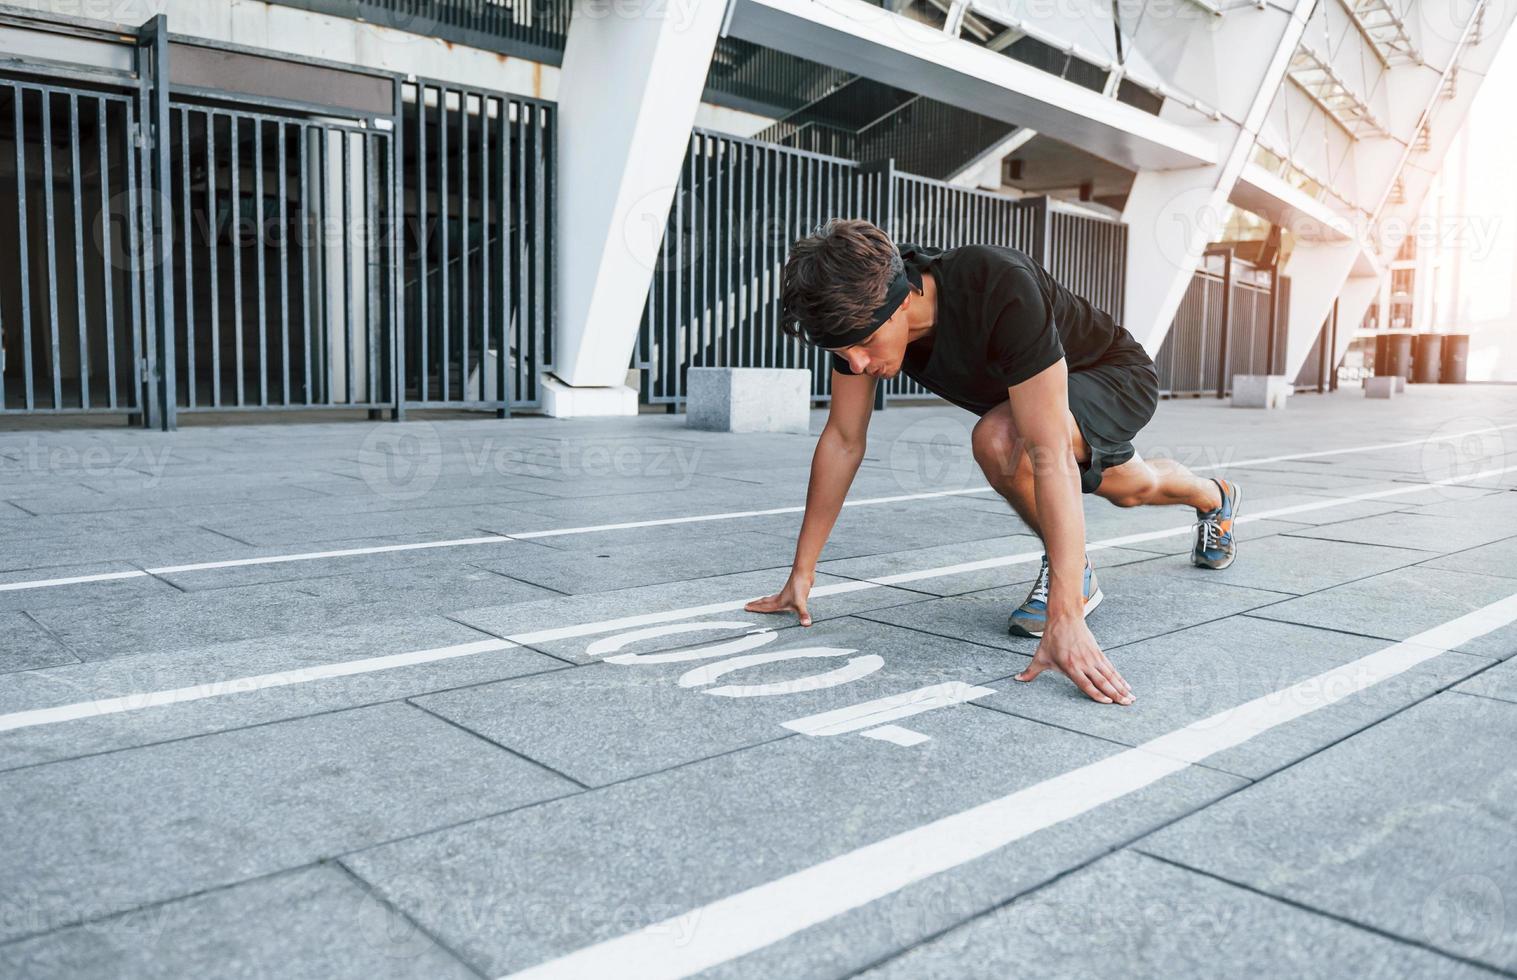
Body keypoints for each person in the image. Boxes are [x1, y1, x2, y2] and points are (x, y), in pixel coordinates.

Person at [745, 218, 1241, 706]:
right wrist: (802, 573)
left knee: (1002, 439)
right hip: (1028, 405)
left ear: (903, 300)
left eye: (863, 345)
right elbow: (843, 439)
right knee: (1132, 488)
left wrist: (1065, 616)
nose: (855, 364)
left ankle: (1076, 578)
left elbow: (1048, 454)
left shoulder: (997, 284)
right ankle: (1214, 496)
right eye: (841, 352)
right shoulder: (857, 312)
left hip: (1112, 374)